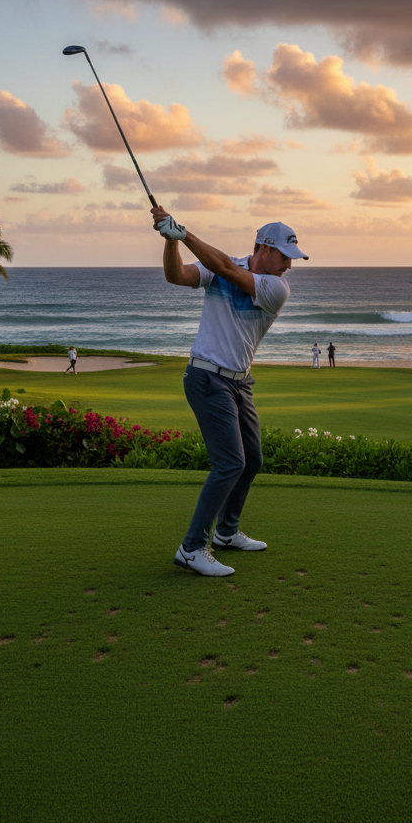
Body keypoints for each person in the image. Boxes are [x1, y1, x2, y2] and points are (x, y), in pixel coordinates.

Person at [153, 206, 309, 577]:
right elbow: (176, 276)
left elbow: (225, 269)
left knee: (251, 459)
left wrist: (184, 233)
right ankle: (191, 548)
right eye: (285, 257)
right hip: (207, 378)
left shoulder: (275, 288)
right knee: (230, 463)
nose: (289, 266)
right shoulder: (227, 265)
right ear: (264, 249)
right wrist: (170, 241)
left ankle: (225, 532)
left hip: (240, 382)